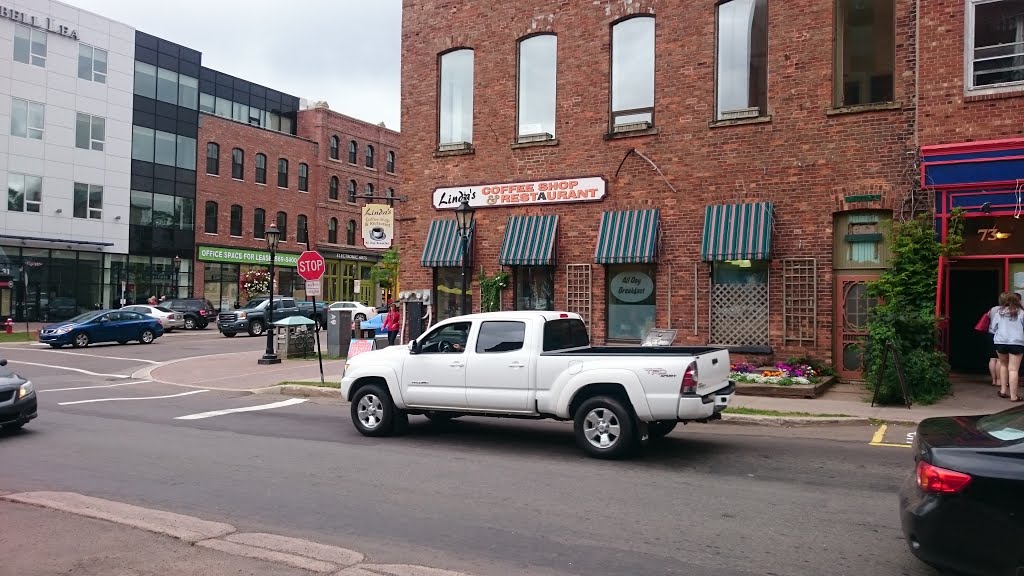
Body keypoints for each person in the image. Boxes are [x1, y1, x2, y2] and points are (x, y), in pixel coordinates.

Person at [991, 291, 1024, 402]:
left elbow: (993, 328)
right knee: (1013, 369)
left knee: (1003, 365)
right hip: (1016, 342)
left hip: (1000, 342)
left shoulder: (999, 313)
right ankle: (1014, 396)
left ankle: (1003, 391)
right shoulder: (1021, 313)